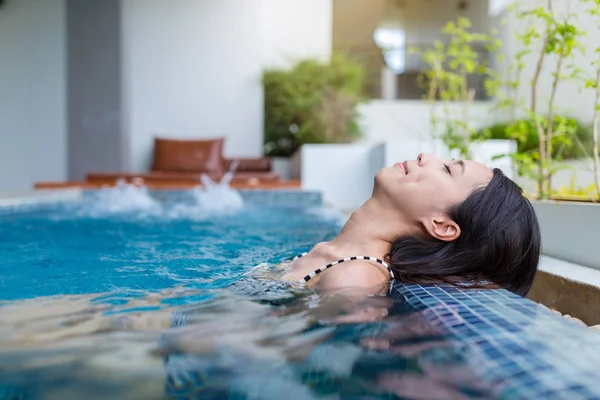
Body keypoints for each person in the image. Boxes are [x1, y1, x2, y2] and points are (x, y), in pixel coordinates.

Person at [282, 153, 541, 297]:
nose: (424, 156)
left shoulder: (355, 277)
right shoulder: (332, 256)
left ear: (442, 225)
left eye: (447, 170)